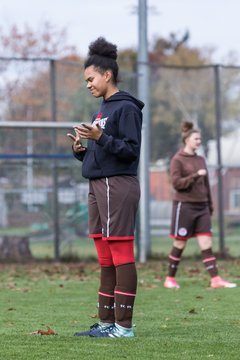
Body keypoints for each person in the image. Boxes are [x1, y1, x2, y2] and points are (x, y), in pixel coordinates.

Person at [67, 37, 144, 337]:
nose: (88, 84)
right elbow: (106, 154)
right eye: (85, 80)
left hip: (118, 186)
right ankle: (105, 323)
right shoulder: (101, 111)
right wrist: (82, 151)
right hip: (99, 185)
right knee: (105, 256)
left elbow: (130, 151)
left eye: (91, 78)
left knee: (121, 253)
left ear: (107, 74)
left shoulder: (126, 108)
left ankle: (123, 328)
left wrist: (100, 139)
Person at [164, 121, 237, 289]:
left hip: (202, 207)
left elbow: (205, 186)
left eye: (200, 139)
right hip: (185, 207)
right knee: (180, 243)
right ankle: (170, 279)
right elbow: (176, 184)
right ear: (187, 139)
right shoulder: (177, 160)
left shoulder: (201, 159)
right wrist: (195, 175)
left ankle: (215, 279)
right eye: (196, 138)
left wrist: (209, 205)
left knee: (206, 243)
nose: (199, 141)